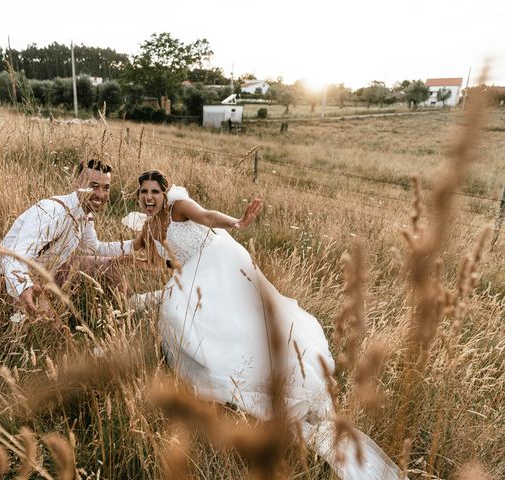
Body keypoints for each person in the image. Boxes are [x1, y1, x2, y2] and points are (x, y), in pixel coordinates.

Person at [132, 169, 401, 480]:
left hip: (218, 258)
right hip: (193, 271)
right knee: (180, 311)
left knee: (216, 314)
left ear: (164, 194)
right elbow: (153, 261)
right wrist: (120, 258)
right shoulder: (149, 226)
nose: (149, 197)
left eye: (154, 192)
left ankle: (274, 371)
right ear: (138, 196)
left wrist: (236, 222)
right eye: (143, 192)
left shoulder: (178, 205)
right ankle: (228, 365)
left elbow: (206, 217)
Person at [0, 158, 139, 315]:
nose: (100, 194)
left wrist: (135, 244)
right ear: (77, 184)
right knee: (44, 325)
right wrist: (26, 288)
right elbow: (14, 256)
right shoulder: (52, 212)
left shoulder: (84, 215)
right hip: (8, 280)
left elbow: (93, 248)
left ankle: (134, 307)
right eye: (93, 186)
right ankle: (11, 322)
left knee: (108, 265)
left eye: (106, 188)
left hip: (44, 274)